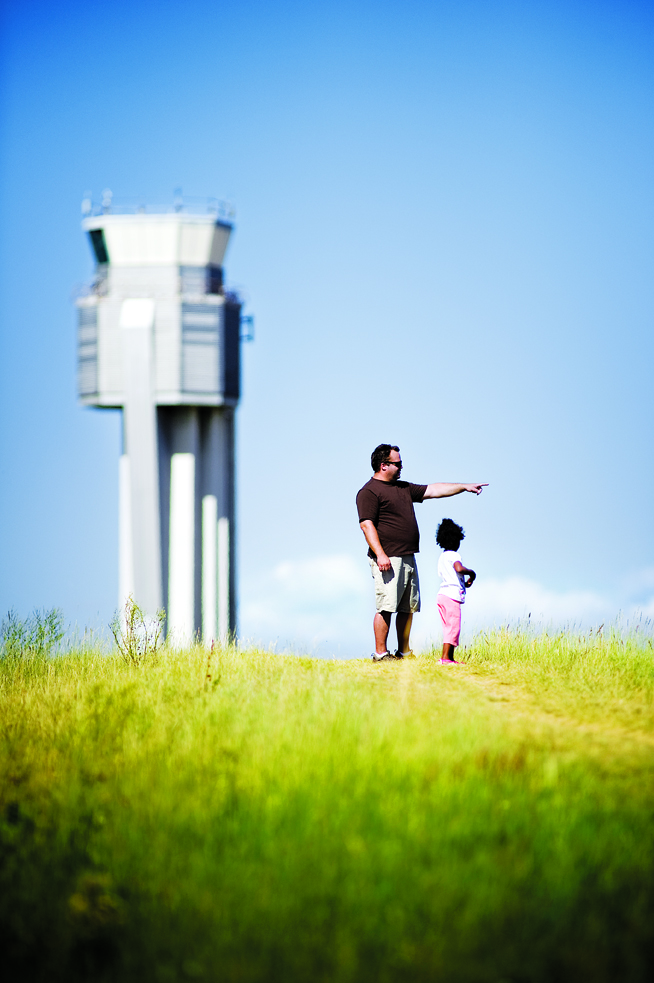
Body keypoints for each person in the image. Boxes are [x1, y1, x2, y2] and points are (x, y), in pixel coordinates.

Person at [356, 444, 486, 662]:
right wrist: (380, 554)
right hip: (387, 558)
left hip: (407, 556)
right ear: (383, 465)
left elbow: (434, 490)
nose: (401, 467)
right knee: (386, 606)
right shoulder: (369, 492)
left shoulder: (403, 488)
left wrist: (464, 486)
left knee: (407, 608)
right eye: (397, 463)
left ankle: (403, 652)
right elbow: (367, 525)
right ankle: (380, 654)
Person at [436, 518, 475, 665]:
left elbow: (449, 575)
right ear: (456, 540)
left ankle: (450, 659)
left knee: (448, 627)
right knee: (453, 627)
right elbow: (458, 568)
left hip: (442, 595)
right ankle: (446, 658)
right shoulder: (454, 555)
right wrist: (471, 573)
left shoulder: (442, 557)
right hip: (452, 596)